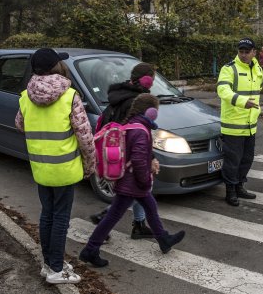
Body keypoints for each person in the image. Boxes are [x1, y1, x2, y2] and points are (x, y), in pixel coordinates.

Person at [15, 48, 96, 284]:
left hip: (41, 168)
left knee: (47, 215)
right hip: (65, 168)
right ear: (57, 67)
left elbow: (20, 124)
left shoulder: (25, 96)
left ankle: (49, 263)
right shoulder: (70, 96)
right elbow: (85, 136)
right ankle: (57, 270)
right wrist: (89, 164)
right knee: (61, 218)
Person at [79, 94, 186, 267]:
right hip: (134, 182)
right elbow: (137, 160)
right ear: (150, 112)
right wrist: (145, 181)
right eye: (156, 110)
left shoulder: (131, 126)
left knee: (150, 208)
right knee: (113, 216)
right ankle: (90, 249)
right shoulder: (140, 131)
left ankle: (164, 239)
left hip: (128, 179)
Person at [89, 63, 159, 239]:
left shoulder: (120, 95)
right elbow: (138, 132)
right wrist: (151, 157)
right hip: (128, 153)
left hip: (117, 151)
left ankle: (139, 224)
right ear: (147, 81)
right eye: (152, 79)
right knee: (136, 189)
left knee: (139, 190)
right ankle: (104, 220)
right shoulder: (135, 101)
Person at [216, 38, 262, 206]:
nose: (243, 55)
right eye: (240, 51)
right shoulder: (229, 69)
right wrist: (242, 101)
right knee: (232, 161)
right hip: (233, 125)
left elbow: (257, 93)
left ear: (253, 52)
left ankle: (240, 186)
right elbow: (223, 90)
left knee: (247, 159)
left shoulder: (257, 68)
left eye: (246, 52)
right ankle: (230, 191)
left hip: (250, 124)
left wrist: (256, 111)